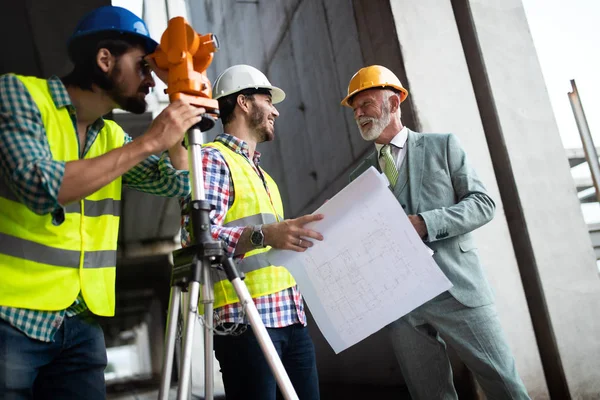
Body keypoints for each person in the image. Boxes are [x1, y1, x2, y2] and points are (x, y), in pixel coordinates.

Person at [0, 6, 205, 399]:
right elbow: (40, 186)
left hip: (80, 324)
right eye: (143, 66)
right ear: (104, 59)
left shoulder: (111, 136)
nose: (150, 79)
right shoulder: (21, 94)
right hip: (12, 317)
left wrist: (178, 101)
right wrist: (150, 141)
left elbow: (180, 183)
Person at [342, 65, 530, 399]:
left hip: (457, 290)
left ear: (395, 103)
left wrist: (426, 223)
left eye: (366, 103)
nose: (358, 113)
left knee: (504, 384)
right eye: (354, 109)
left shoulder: (443, 145)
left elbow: (483, 204)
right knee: (429, 395)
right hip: (400, 303)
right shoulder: (359, 176)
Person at [180, 64, 323, 400]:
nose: (275, 110)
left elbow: (274, 247)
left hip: (291, 318)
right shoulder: (212, 160)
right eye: (268, 99)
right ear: (243, 102)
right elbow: (197, 237)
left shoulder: (263, 175)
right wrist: (262, 235)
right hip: (245, 323)